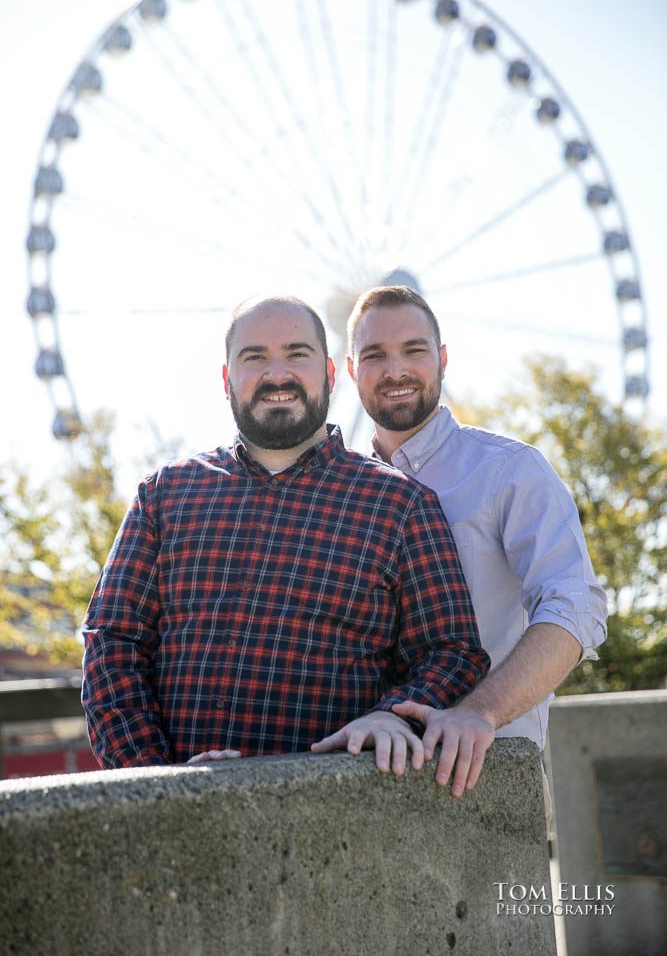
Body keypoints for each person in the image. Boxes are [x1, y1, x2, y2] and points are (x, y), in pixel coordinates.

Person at [82, 295, 489, 775]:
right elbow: (112, 642)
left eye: (298, 354)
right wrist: (156, 777)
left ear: (332, 374)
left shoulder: (400, 505)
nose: (278, 374)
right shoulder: (165, 496)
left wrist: (391, 714)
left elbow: (453, 652)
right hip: (177, 812)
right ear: (226, 379)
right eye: (254, 357)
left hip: (335, 811)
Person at [345, 285, 607, 799]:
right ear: (351, 370)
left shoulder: (507, 471)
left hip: (481, 778)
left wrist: (479, 711)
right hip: (354, 782)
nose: (395, 369)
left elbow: (576, 605)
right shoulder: (340, 491)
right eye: (375, 355)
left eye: (413, 350)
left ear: (442, 359)